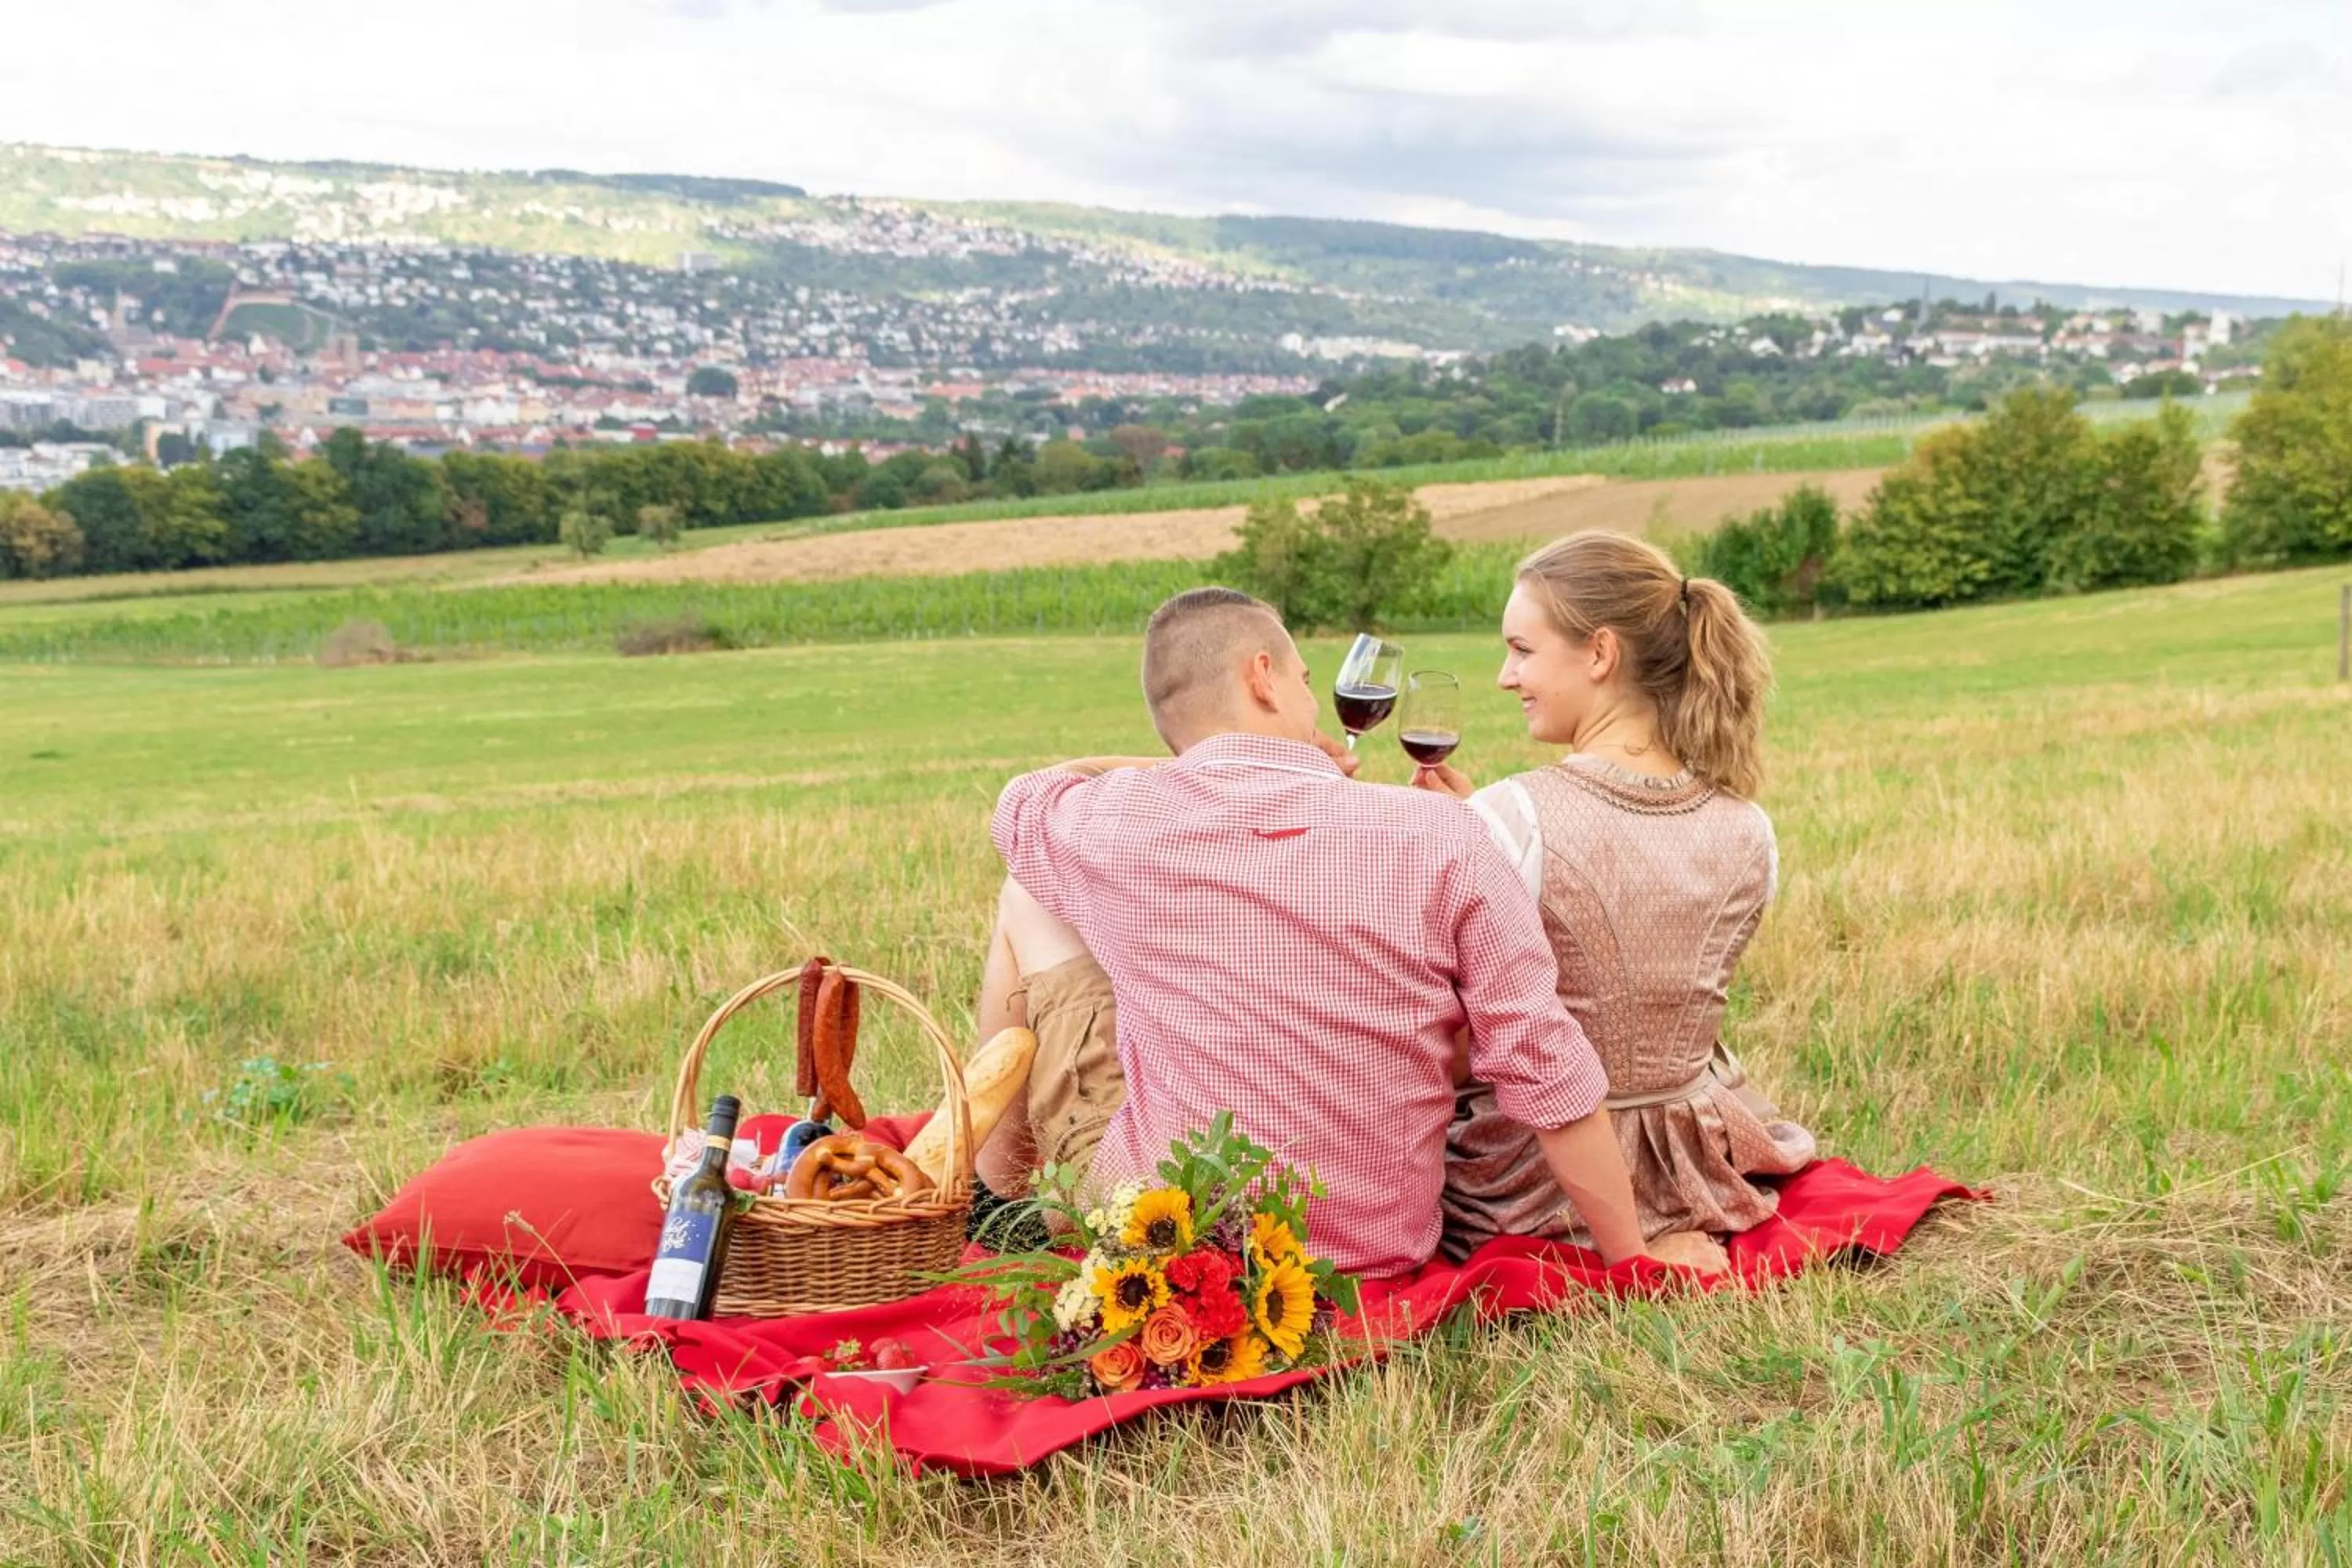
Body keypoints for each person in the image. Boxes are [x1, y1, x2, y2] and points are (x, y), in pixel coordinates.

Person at [974, 585, 1727, 1279]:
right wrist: (1634, 1256)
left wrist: (1189, 765)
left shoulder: (1120, 821)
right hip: (1371, 1251)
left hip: (1164, 1234)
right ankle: (995, 1193)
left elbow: (1028, 796)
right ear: (1262, 677)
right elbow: (1544, 1062)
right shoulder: (1446, 832)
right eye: (1305, 680)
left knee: (1028, 895)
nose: (1311, 697)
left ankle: (993, 1194)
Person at [1412, 532, 1817, 1258]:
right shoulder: (1749, 827)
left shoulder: (1513, 818)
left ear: (1600, 653)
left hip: (1534, 1186)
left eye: (1522, 650)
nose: (1506, 677)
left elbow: (1461, 1040)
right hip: (1694, 1169)